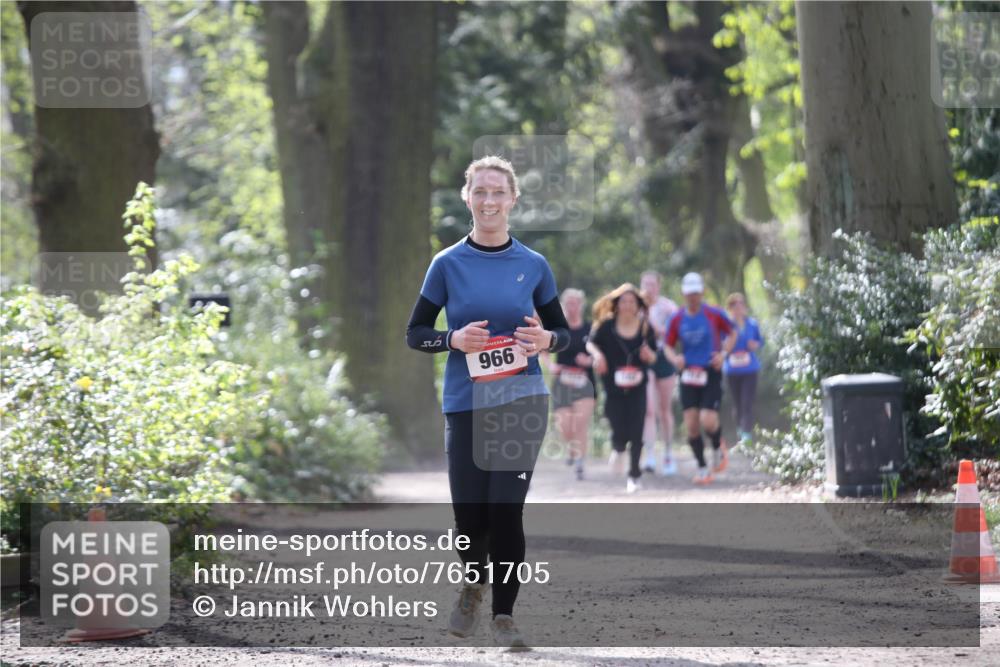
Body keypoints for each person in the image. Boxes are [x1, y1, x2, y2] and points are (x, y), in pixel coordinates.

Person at [405, 156, 570, 651]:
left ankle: (504, 615)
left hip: (522, 399)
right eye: (481, 192)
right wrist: (452, 340)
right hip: (465, 402)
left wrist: (545, 340)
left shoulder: (533, 265)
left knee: (506, 512)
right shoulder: (447, 264)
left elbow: (563, 333)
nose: (490, 200)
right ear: (468, 197)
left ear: (513, 199)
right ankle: (473, 582)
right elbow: (415, 334)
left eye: (499, 192)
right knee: (469, 517)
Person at [663, 272, 736, 484]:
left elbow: (732, 333)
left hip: (710, 371)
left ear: (702, 292)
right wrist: (675, 358)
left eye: (696, 293)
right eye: (689, 294)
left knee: (708, 419)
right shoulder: (677, 318)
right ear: (684, 294)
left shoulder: (714, 314)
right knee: (692, 425)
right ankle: (703, 468)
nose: (692, 297)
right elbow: (667, 345)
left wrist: (723, 354)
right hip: (687, 375)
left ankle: (716, 445)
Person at [586, 283, 658, 493]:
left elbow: (654, 356)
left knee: (637, 431)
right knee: (617, 425)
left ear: (638, 305)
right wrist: (598, 356)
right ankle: (618, 447)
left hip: (638, 386)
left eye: (632, 302)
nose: (628, 305)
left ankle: (634, 475)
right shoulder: (606, 325)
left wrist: (649, 356)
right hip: (613, 387)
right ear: (617, 304)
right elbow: (590, 343)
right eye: (624, 301)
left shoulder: (645, 327)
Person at [547, 288, 596, 481]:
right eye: (568, 304)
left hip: (585, 383)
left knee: (580, 424)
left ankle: (580, 464)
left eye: (575, 303)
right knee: (565, 425)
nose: (572, 307)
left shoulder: (590, 329)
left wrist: (590, 360)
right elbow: (542, 350)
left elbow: (601, 354)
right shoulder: (558, 329)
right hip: (562, 382)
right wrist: (551, 365)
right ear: (563, 306)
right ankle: (571, 449)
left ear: (581, 306)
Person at [639, 270, 680, 476]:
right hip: (645, 358)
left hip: (664, 357)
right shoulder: (634, 307)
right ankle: (649, 455)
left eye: (651, 284)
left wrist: (651, 321)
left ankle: (668, 454)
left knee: (665, 410)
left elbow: (672, 333)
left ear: (658, 286)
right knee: (648, 409)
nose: (647, 288)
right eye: (644, 284)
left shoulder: (668, 307)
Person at [724, 293, 764, 445]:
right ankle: (740, 431)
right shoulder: (726, 325)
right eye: (735, 305)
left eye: (741, 304)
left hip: (750, 369)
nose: (739, 308)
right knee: (737, 403)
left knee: (747, 402)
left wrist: (756, 345)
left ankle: (747, 435)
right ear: (730, 309)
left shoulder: (752, 324)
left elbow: (760, 341)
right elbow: (721, 344)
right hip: (732, 370)